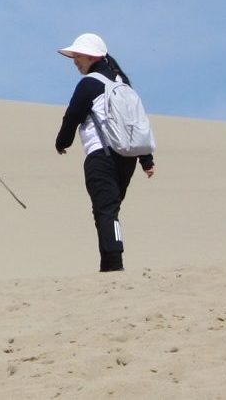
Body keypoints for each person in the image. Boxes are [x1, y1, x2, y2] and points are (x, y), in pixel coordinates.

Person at [55, 33, 155, 272]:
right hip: (127, 159)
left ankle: (114, 266)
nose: (75, 61)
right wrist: (146, 160)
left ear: (91, 56)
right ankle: (109, 263)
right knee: (110, 209)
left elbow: (73, 116)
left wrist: (62, 142)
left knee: (105, 211)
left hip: (101, 155)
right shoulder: (123, 83)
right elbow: (135, 122)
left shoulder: (90, 83)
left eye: (77, 56)